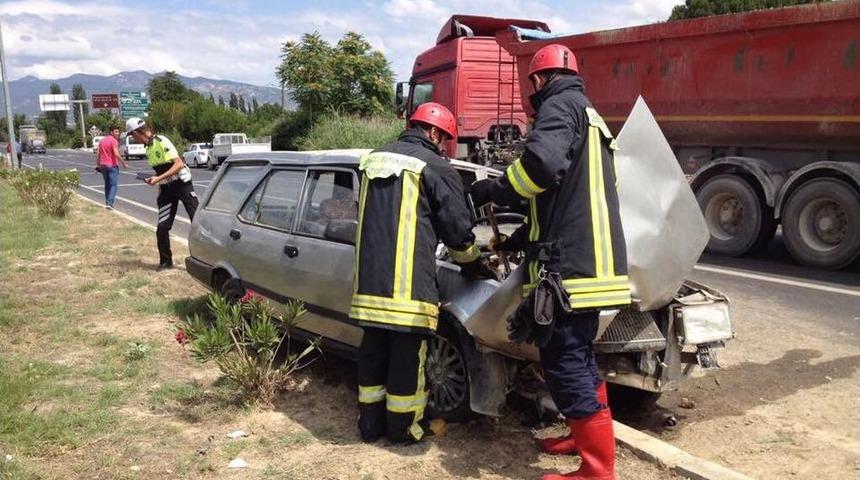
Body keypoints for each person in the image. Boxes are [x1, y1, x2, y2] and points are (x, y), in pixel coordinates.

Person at [471, 44, 630, 480]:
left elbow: (539, 167)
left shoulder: (560, 106)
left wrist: (496, 191)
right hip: (595, 263)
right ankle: (583, 441)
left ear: (539, 82)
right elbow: (566, 200)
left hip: (571, 271)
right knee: (578, 359)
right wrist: (523, 238)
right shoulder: (590, 115)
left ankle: (597, 471)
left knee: (563, 361)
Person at [351, 102, 495, 444]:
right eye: (443, 138)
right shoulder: (434, 167)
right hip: (407, 290)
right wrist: (475, 265)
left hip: (368, 284)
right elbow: (457, 233)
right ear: (432, 132)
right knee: (405, 361)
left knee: (373, 355)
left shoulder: (372, 160)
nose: (443, 145)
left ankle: (370, 427)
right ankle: (404, 431)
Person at [124, 117, 198, 271]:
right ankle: (166, 261)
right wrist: (157, 184)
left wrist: (158, 178)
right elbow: (160, 171)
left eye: (132, 135)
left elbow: (178, 164)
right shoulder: (148, 148)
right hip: (166, 189)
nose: (132, 139)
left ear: (138, 132)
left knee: (198, 222)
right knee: (162, 227)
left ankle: (207, 259)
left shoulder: (161, 141)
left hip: (182, 185)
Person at [95, 125, 128, 209]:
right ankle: (110, 203)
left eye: (118, 132)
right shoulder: (114, 141)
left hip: (103, 165)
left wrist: (98, 165)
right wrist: (124, 163)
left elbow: (98, 153)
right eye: (116, 132)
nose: (118, 133)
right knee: (113, 185)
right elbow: (116, 154)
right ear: (111, 132)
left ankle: (107, 202)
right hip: (112, 166)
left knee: (107, 184)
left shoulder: (102, 141)